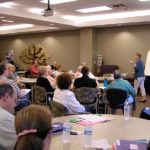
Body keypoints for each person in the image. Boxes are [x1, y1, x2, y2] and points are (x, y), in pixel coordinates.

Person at [0, 82, 17, 150]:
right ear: (6, 97)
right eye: (14, 100)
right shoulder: (4, 118)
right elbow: (22, 144)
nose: (15, 105)